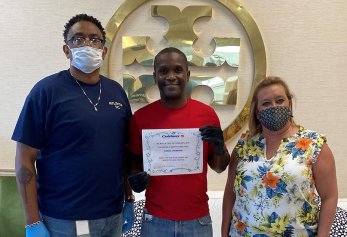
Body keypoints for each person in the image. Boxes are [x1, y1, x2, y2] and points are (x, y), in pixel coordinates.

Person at [12, 14, 135, 237]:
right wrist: (32, 221)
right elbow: (24, 156)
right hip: (64, 219)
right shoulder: (46, 92)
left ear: (103, 50)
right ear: (66, 50)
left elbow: (123, 152)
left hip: (112, 215)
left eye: (95, 39)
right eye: (78, 39)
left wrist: (129, 198)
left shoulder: (117, 92)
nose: (87, 44)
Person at [126, 47, 230, 237]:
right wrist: (135, 181)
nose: (171, 76)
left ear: (188, 74)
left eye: (178, 70)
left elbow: (219, 167)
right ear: (155, 75)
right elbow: (134, 166)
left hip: (197, 221)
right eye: (164, 71)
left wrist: (219, 146)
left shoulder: (206, 114)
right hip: (155, 220)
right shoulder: (140, 119)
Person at [222, 76, 338, 237]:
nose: (274, 106)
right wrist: (223, 232)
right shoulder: (244, 144)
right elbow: (230, 193)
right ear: (257, 111)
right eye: (266, 103)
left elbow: (329, 197)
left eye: (280, 100)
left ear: (289, 103)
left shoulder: (314, 144)